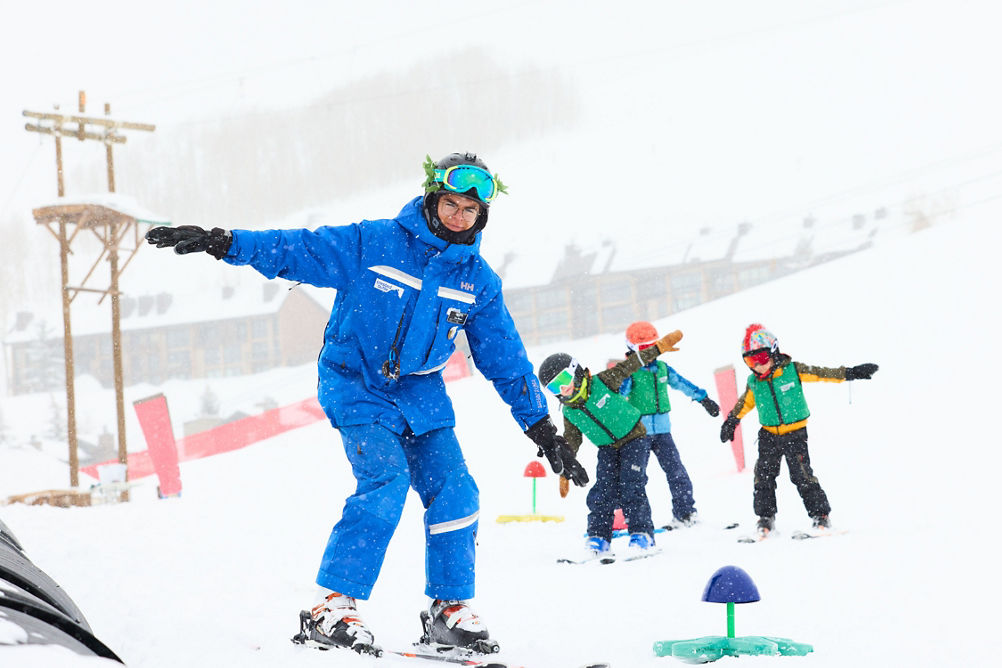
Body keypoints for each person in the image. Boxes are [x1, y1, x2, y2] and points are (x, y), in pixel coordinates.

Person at [144, 152, 588, 656]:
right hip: (356, 383)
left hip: (422, 395)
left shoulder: (478, 282)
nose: (459, 216)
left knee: (457, 491)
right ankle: (331, 607)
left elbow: (505, 358)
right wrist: (225, 243)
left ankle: (449, 609)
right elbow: (296, 249)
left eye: (471, 209)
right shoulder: (373, 242)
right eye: (451, 203)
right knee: (385, 482)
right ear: (431, 198)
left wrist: (543, 429)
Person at [719, 324, 878, 538]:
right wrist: (731, 421)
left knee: (802, 475)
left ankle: (820, 516)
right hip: (768, 435)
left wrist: (850, 373)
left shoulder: (793, 371)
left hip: (795, 434)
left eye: (762, 358)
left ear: (774, 352)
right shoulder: (754, 382)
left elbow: (823, 373)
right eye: (750, 361)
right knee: (763, 476)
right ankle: (765, 519)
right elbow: (744, 403)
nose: (757, 366)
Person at [537, 329, 683, 558]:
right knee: (602, 490)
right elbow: (571, 441)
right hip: (607, 447)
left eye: (564, 381)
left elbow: (631, 365)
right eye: (555, 388)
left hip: (634, 436)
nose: (563, 390)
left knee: (631, 484)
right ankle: (598, 539)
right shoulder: (570, 411)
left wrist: (659, 348)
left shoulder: (602, 382)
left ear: (575, 372)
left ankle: (642, 535)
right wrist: (565, 470)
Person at [618, 321, 719, 528]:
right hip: (639, 433)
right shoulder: (630, 373)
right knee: (635, 476)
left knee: (676, 472)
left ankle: (685, 512)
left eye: (653, 347)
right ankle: (633, 518)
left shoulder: (662, 368)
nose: (650, 354)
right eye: (644, 349)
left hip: (663, 431)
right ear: (632, 350)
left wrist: (703, 398)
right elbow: (619, 397)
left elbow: (681, 383)